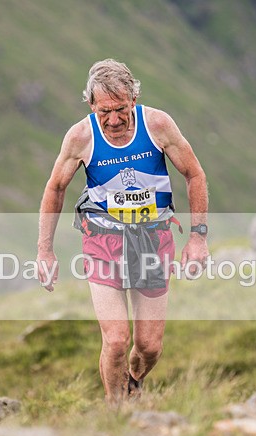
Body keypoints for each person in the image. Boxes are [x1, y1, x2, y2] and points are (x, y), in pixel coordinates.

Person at [37, 59, 209, 404]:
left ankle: (133, 381)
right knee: (116, 340)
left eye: (121, 110)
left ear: (134, 100)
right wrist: (45, 250)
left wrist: (198, 236)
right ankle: (115, 411)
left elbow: (194, 174)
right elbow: (55, 188)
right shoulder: (81, 137)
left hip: (153, 238)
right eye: (105, 111)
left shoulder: (157, 125)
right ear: (91, 105)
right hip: (103, 240)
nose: (114, 120)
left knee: (149, 347)